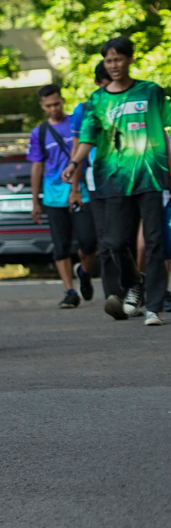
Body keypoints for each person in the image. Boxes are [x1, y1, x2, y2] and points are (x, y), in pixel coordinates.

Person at [64, 36, 170, 323]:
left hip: (150, 175)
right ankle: (135, 281)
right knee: (114, 241)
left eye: (118, 59)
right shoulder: (96, 100)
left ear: (130, 59)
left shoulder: (151, 92)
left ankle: (154, 306)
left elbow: (165, 131)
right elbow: (87, 139)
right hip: (112, 180)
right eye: (109, 60)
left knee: (154, 241)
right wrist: (73, 164)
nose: (113, 65)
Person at [29, 83, 99, 307]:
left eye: (57, 104)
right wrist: (35, 201)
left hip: (81, 193)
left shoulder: (75, 123)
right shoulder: (39, 132)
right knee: (61, 246)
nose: (54, 109)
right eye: (48, 105)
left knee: (89, 242)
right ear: (42, 106)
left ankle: (84, 271)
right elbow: (37, 167)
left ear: (62, 101)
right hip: (53, 196)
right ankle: (69, 291)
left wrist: (75, 189)